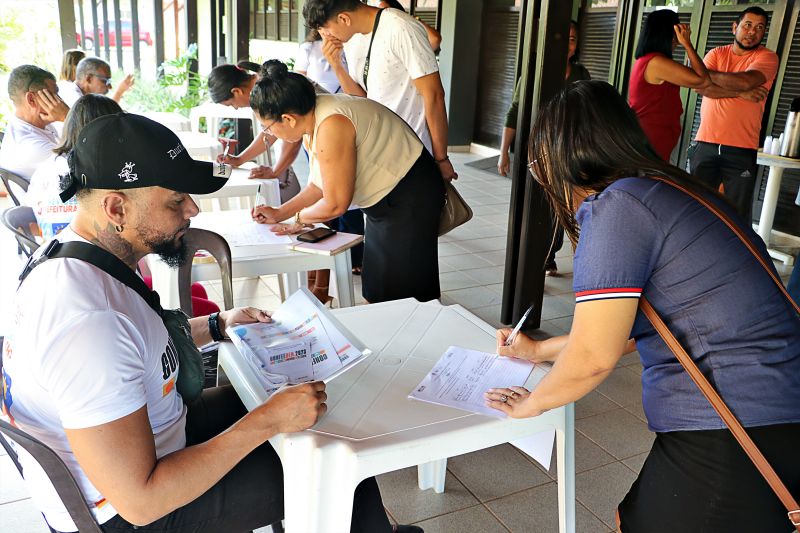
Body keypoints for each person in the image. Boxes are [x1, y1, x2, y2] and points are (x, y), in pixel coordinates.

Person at [1, 113, 420, 533]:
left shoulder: (74, 252)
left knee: (314, 421)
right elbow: (141, 501)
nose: (193, 209)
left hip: (155, 434)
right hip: (131, 511)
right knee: (336, 470)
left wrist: (217, 325)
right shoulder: (88, 323)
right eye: (175, 200)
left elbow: (135, 351)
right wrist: (268, 421)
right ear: (116, 207)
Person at [483, 80, 800, 532]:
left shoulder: (618, 207)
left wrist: (532, 405)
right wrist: (537, 352)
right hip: (775, 407)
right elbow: (625, 330)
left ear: (558, 158)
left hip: (736, 425)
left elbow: (594, 357)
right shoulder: (673, 191)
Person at [250, 62, 444, 303]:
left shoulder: (332, 123)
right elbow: (318, 186)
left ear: (288, 119)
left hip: (408, 195)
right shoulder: (317, 114)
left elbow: (335, 205)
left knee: (401, 292)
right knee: (379, 285)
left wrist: (297, 221)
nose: (269, 135)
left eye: (266, 127)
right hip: (391, 196)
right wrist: (280, 213)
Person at [304, 0, 458, 181]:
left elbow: (434, 95)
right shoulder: (352, 38)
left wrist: (441, 158)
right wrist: (337, 66)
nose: (326, 36)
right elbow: (364, 102)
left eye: (325, 29)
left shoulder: (401, 27)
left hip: (413, 155)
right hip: (379, 154)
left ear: (344, 19)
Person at [498, 20, 590, 276]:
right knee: (531, 204)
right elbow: (515, 110)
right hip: (534, 150)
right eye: (564, 39)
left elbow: (587, 114)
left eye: (573, 39)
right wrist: (504, 150)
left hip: (565, 151)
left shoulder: (581, 75)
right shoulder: (534, 71)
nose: (568, 45)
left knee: (559, 205)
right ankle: (525, 256)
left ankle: (547, 256)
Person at [689, 6, 779, 221]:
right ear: (735, 27)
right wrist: (742, 93)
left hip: (741, 148)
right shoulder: (717, 53)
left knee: (738, 214)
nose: (752, 32)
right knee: (695, 205)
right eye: (747, 25)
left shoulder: (768, 57)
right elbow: (700, 87)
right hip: (705, 143)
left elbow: (746, 80)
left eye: (759, 28)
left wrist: (705, 74)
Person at [207, 61, 303, 191]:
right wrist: (240, 159)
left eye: (231, 104)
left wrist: (275, 171)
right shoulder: (261, 84)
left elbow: (292, 135)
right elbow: (271, 131)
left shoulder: (267, 90)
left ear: (236, 91)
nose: (235, 108)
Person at [629, 10, 709, 161]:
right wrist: (687, 44)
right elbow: (703, 80)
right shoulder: (656, 62)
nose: (676, 39)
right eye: (675, 32)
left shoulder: (649, 60)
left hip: (651, 137)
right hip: (651, 138)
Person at [0, 65, 68, 180]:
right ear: (31, 99)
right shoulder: (31, 146)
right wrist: (67, 116)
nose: (60, 101)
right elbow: (89, 163)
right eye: (54, 94)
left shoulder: (36, 124)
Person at [58, 57, 135, 107]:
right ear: (89, 79)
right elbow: (100, 122)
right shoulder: (77, 101)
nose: (110, 87)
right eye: (105, 81)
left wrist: (120, 92)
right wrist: (118, 92)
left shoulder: (81, 95)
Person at [296, 29, 348, 94]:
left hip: (346, 101)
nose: (325, 32)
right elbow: (300, 80)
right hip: (318, 100)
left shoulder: (350, 47)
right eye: (320, 27)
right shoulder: (308, 48)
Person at [377, 0, 442, 53]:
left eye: (385, 10)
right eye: (379, 12)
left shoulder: (408, 32)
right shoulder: (379, 34)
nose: (381, 14)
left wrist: (415, 20)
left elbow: (435, 39)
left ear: (397, 12)